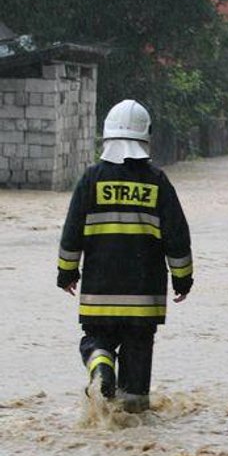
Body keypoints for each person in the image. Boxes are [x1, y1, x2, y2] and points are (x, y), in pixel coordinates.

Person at [56, 99, 193, 413]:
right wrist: (183, 280)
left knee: (96, 340)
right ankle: (132, 418)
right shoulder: (157, 181)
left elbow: (71, 232)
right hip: (144, 297)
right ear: (146, 137)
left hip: (99, 292)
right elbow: (177, 237)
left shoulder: (91, 179)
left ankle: (100, 364)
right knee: (136, 378)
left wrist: (67, 273)